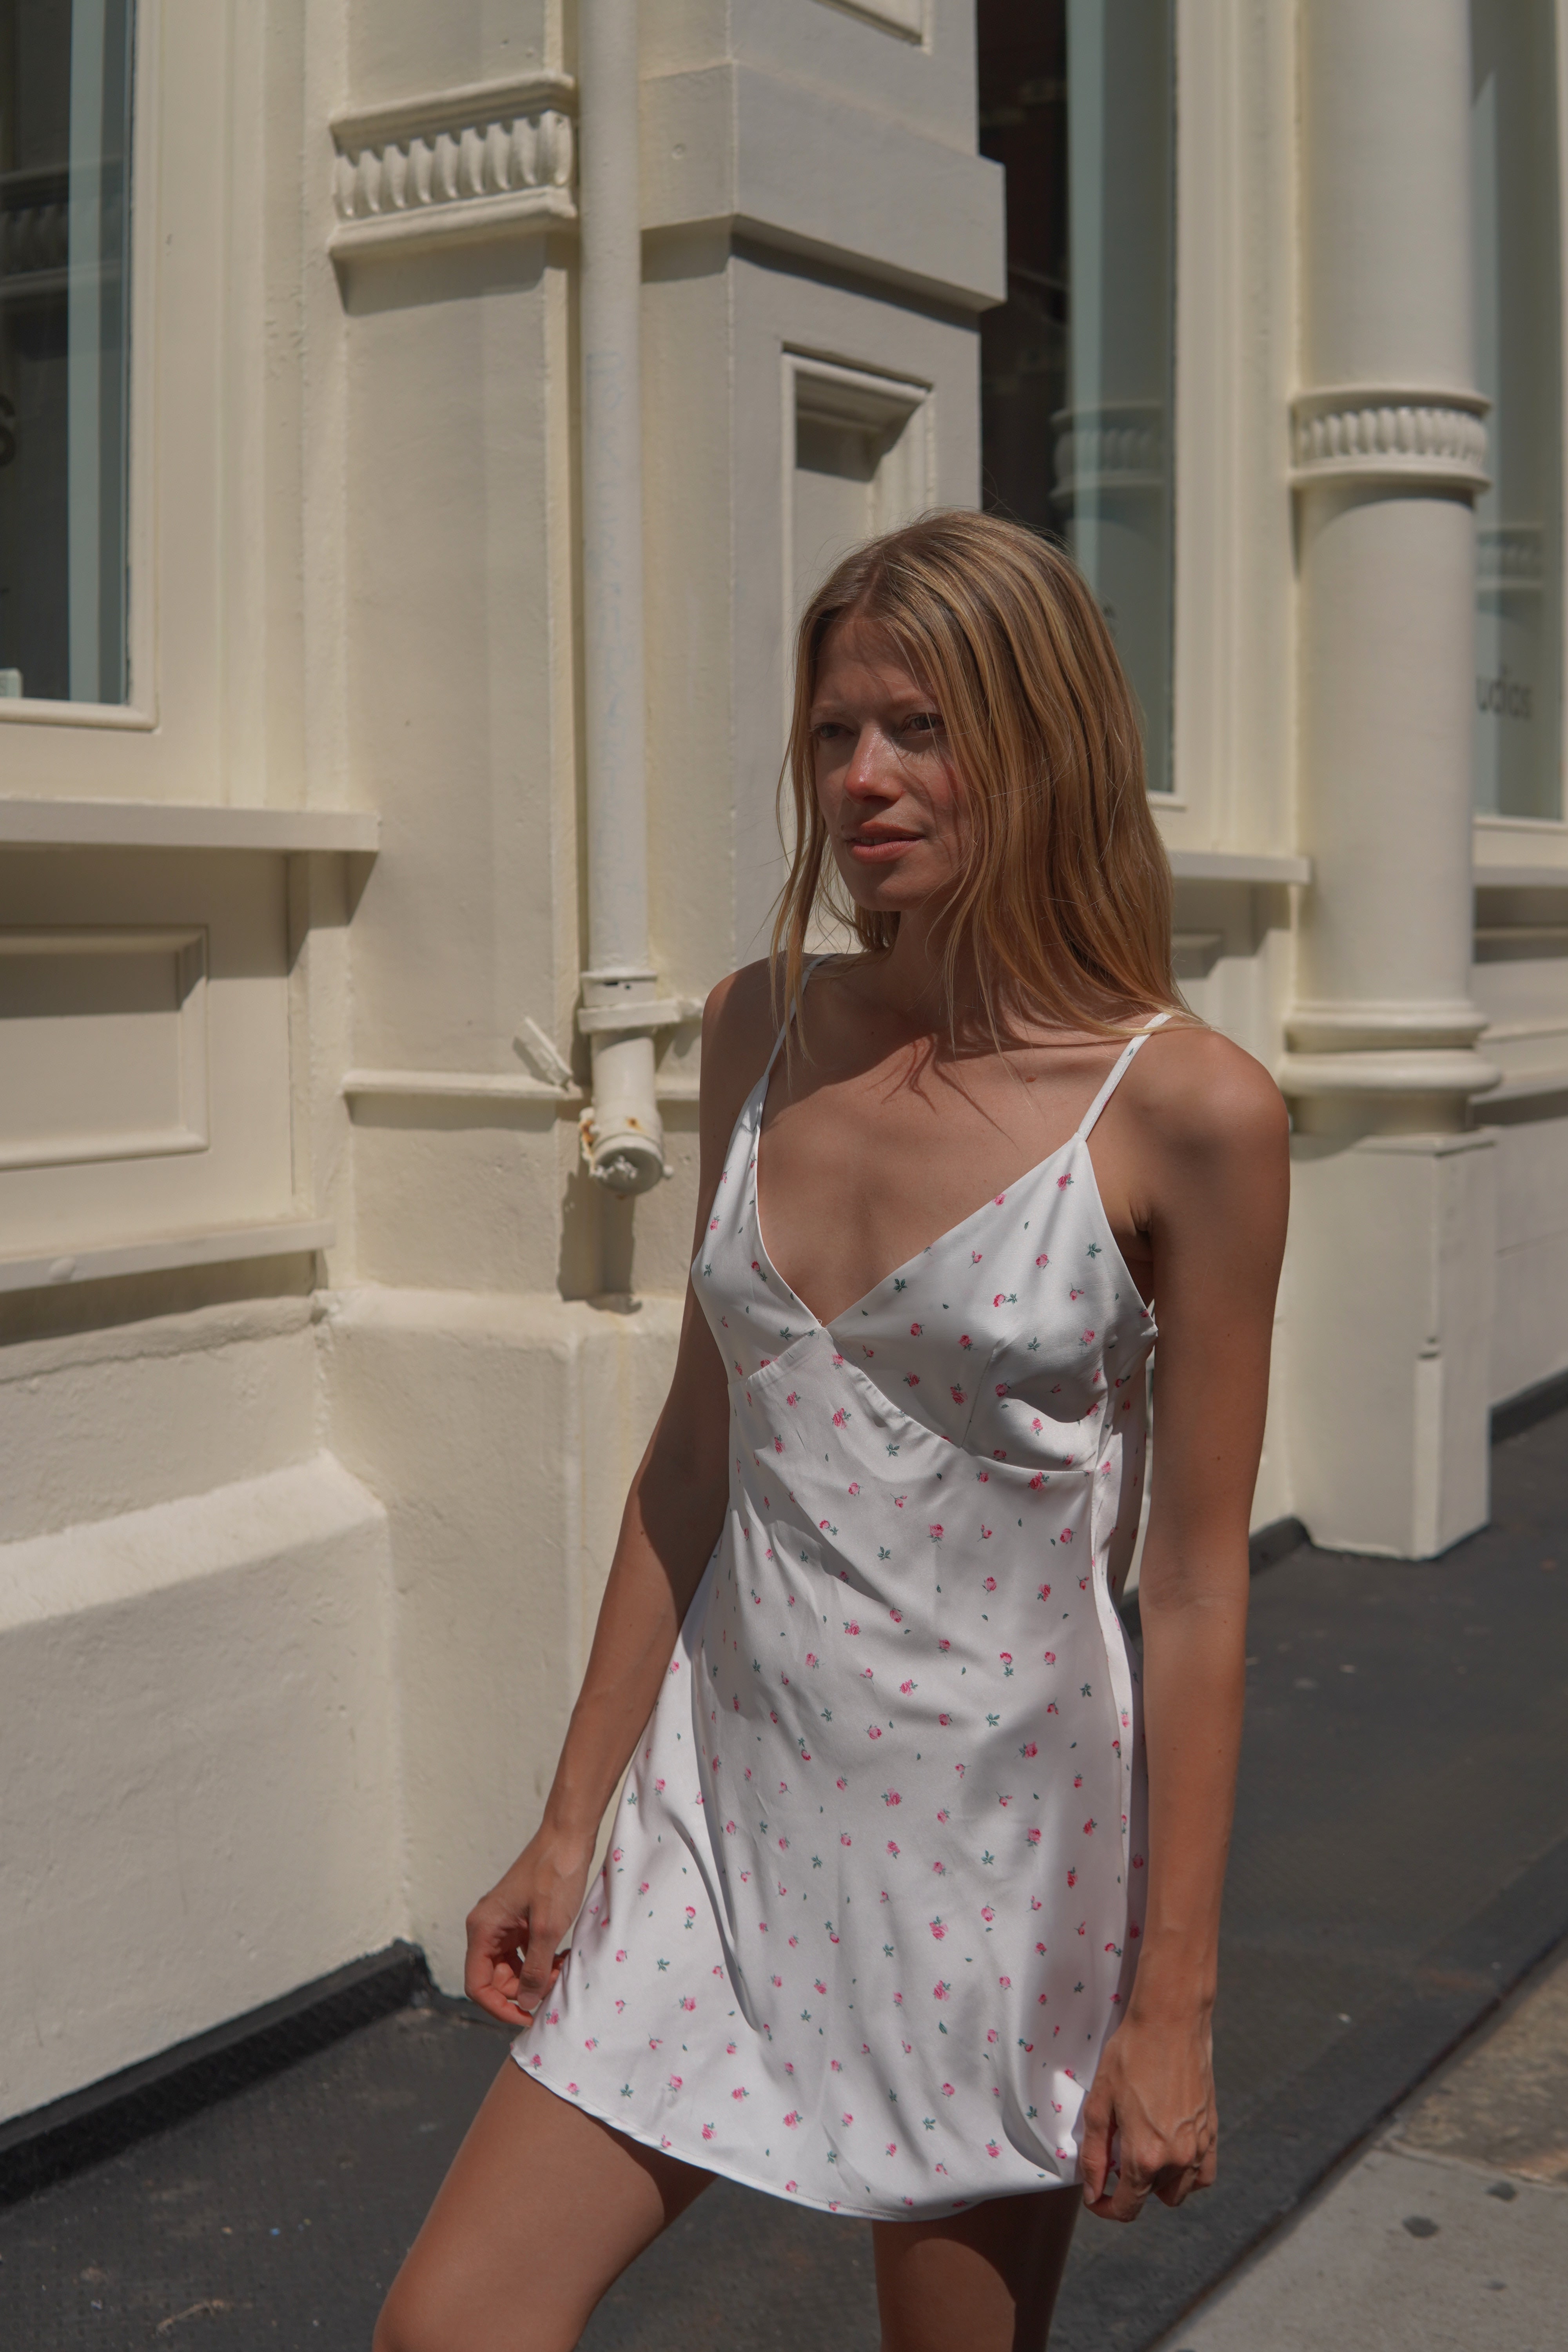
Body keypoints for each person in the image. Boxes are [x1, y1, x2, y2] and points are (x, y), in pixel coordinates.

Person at [374, 511, 1290, 2352]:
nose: (864, 777)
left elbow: (1195, 1587)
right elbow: (696, 1456)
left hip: (994, 1856)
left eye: (921, 728)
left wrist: (1169, 2002)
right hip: (719, 1816)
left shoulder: (1187, 1111)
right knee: (447, 2328)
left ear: (1044, 740)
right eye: (833, 732)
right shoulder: (758, 1028)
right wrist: (569, 1823)